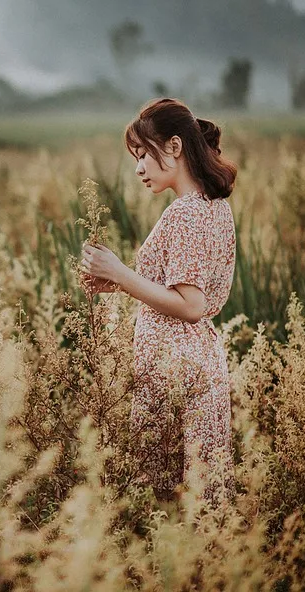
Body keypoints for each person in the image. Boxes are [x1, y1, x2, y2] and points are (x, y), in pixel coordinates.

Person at [79, 98, 238, 505]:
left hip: (174, 370)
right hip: (199, 364)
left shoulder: (185, 213)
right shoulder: (213, 207)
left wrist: (121, 273)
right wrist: (116, 283)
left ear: (174, 147)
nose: (138, 169)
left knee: (160, 503)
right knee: (204, 500)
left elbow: (190, 305)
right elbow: (180, 290)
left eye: (143, 155)